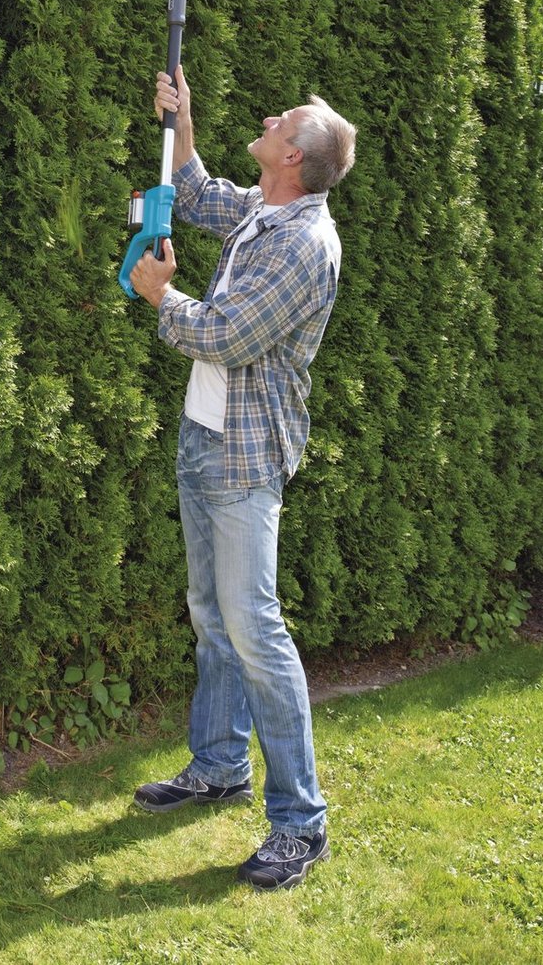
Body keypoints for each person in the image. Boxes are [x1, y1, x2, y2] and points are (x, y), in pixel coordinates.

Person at [129, 64, 356, 891]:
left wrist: (161, 296)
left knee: (255, 628)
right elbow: (195, 193)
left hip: (245, 458)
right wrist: (180, 120)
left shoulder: (303, 245)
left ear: (293, 156)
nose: (267, 116)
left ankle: (301, 823)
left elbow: (225, 335)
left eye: (281, 117)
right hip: (204, 436)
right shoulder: (267, 208)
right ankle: (220, 765)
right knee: (212, 616)